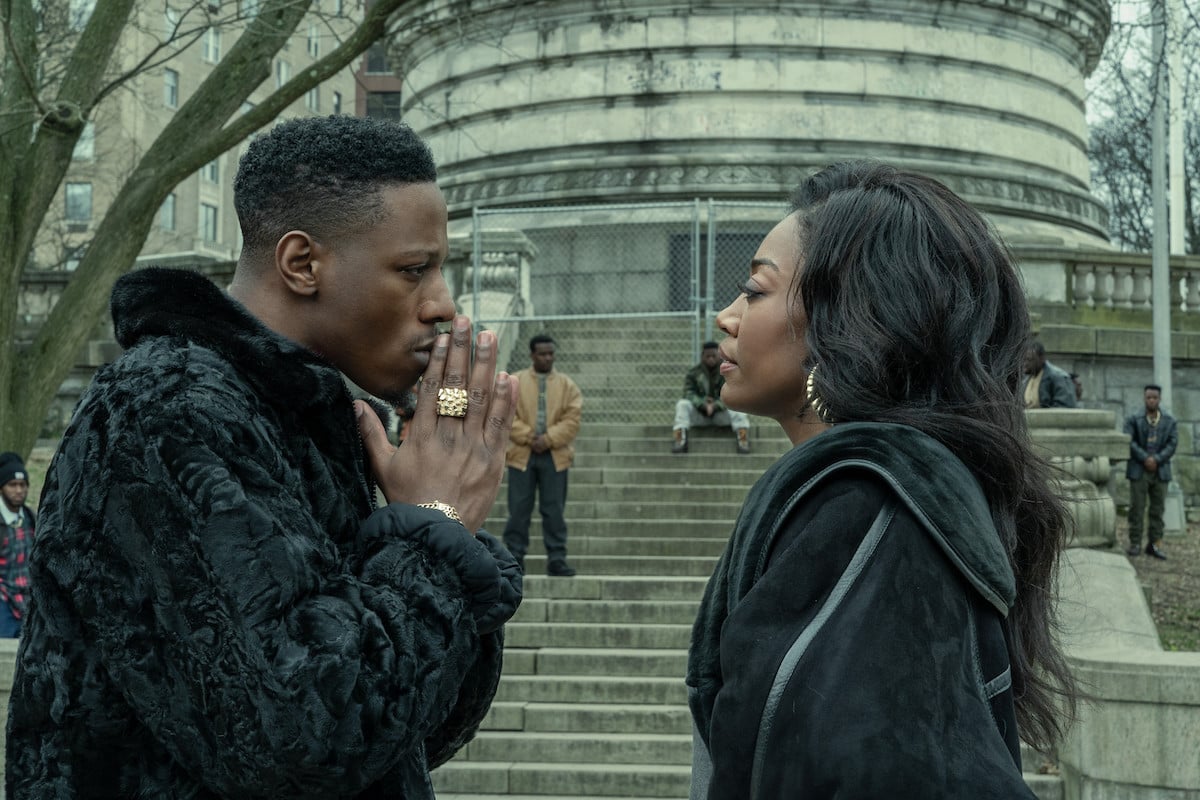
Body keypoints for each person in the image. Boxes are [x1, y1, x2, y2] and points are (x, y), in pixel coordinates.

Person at [7, 116, 523, 798]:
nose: (443, 306)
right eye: (413, 270)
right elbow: (307, 740)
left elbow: (409, 731)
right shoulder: (166, 407)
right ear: (303, 264)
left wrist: (434, 527)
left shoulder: (306, 414)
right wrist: (434, 531)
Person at [686, 162, 1076, 798]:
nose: (726, 316)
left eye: (755, 291)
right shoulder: (886, 497)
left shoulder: (871, 510)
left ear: (846, 318)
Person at [503, 334, 583, 577]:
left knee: (554, 510)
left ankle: (557, 560)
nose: (548, 358)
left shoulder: (567, 385)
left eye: (551, 353)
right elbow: (506, 414)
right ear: (532, 355)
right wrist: (529, 437)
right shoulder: (515, 381)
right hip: (521, 455)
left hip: (554, 456)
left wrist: (548, 439)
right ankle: (514, 560)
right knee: (518, 509)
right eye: (542, 354)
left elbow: (572, 419)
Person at [1124, 384, 1178, 560]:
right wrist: (1145, 458)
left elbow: (1172, 443)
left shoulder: (1169, 421)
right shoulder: (1134, 419)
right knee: (1136, 509)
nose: (1151, 400)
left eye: (1155, 397)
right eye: (1148, 397)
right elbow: (1129, 440)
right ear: (1144, 398)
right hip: (1139, 469)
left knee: (1158, 510)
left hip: (1160, 470)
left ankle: (1154, 545)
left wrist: (1157, 459)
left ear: (1159, 399)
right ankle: (1135, 543)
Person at [672, 341, 752, 454]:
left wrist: (715, 405)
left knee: (739, 409)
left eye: (713, 356)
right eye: (707, 356)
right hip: (700, 414)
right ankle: (680, 440)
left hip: (720, 414)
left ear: (719, 356)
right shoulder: (693, 373)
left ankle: (742, 439)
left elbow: (733, 394)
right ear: (702, 356)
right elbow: (688, 393)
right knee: (682, 404)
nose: (710, 359)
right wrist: (702, 404)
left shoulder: (727, 372)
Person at [0, 451, 34, 638]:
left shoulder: (32, 519)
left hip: (29, 599)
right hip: (3, 599)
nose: (19, 490)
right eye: (12, 485)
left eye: (23, 485)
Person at [1021, 340, 1077, 408]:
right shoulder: (1026, 380)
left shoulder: (1058, 377)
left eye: (1029, 359)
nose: (1024, 364)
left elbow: (1065, 407)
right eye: (1022, 360)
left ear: (1041, 358)